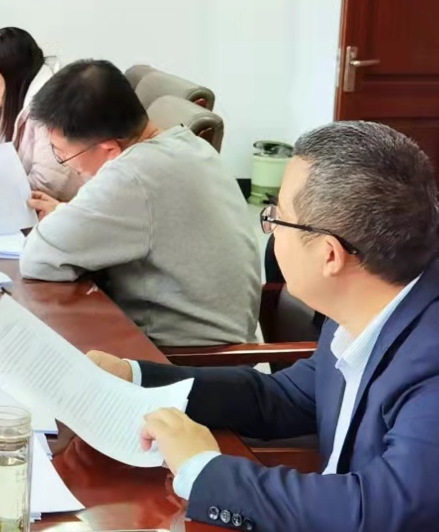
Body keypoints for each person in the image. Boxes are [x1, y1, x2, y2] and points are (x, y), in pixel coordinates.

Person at [90, 121, 439, 532]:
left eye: (276, 218)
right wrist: (138, 377)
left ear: (330, 254)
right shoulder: (378, 303)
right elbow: (284, 397)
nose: (268, 232)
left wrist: (205, 470)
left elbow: (373, 517)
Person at [19, 58, 260, 347]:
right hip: (221, 345)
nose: (66, 164)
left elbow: (38, 258)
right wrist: (70, 213)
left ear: (109, 149)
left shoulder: (131, 175)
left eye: (62, 154)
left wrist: (69, 220)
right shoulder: (185, 143)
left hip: (181, 358)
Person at [0, 26, 78, 201]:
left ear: (12, 72)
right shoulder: (15, 99)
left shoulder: (51, 109)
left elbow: (48, 186)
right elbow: (1, 160)